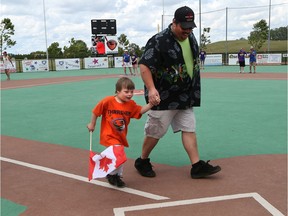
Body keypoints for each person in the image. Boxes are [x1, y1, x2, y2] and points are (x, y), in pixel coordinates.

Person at [134, 6, 221, 179]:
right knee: (155, 131)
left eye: (190, 27)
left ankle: (196, 166)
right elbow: (144, 65)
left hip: (185, 95)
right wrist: (151, 89)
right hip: (164, 96)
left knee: (189, 128)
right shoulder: (159, 40)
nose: (187, 31)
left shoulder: (190, 37)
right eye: (184, 27)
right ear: (174, 22)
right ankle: (142, 161)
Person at [87, 77, 158, 187]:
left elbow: (140, 111)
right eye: (126, 92)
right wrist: (92, 124)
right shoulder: (108, 101)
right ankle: (109, 171)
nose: (129, 94)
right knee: (119, 154)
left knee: (119, 156)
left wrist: (151, 104)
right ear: (118, 91)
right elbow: (96, 112)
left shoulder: (130, 105)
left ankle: (114, 174)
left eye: (131, 92)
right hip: (109, 135)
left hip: (120, 136)